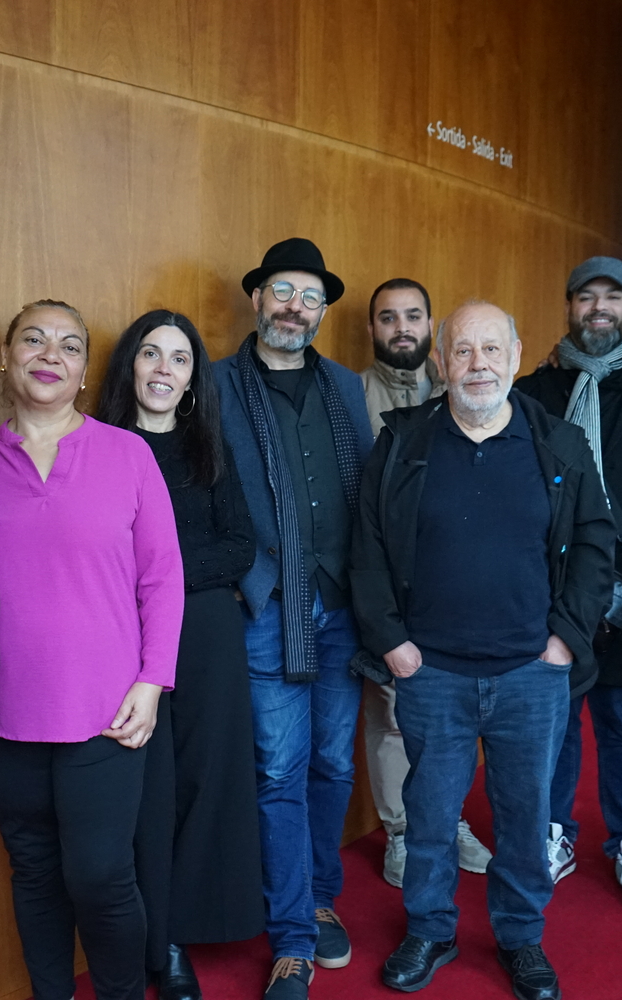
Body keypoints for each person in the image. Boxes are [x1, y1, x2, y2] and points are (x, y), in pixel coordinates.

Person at [352, 301, 614, 1000]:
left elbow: (596, 544)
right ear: (441, 362)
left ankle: (521, 938)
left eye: (491, 350)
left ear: (516, 356)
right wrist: (394, 644)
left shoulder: (559, 443)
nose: (478, 365)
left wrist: (565, 640)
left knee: (524, 818)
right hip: (430, 671)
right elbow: (367, 547)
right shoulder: (402, 442)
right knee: (431, 816)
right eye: (463, 351)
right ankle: (430, 929)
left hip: (532, 672)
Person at [0, 300, 185, 1000]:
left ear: (86, 372)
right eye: (33, 339)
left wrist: (153, 680)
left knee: (100, 876)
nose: (50, 355)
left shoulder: (127, 454)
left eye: (69, 346)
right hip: (3, 709)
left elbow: (163, 577)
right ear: (6, 357)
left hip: (108, 711)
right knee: (35, 872)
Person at [215, 238, 375, 1000]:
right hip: (267, 606)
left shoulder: (345, 387)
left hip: (342, 606)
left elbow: (368, 495)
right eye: (283, 290)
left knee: (334, 764)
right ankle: (292, 938)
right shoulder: (216, 385)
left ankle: (317, 894)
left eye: (311, 297)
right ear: (257, 298)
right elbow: (202, 487)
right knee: (278, 770)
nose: (295, 307)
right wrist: (245, 581)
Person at [95, 310, 265, 1000]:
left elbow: (240, 547)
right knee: (148, 792)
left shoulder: (207, 448)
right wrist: (152, 582)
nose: (164, 369)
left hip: (207, 638)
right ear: (129, 366)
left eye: (180, 358)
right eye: (150, 354)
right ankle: (156, 941)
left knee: (207, 783)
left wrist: (160, 574)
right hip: (123, 637)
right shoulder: (97, 445)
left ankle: (183, 931)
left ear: (193, 378)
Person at [514, 257, 622, 913]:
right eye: (587, 297)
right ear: (569, 306)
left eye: (613, 296)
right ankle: (555, 832)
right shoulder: (535, 388)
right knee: (557, 718)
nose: (599, 308)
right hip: (554, 586)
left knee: (618, 719)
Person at [357, 277, 491, 888]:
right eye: (388, 317)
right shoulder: (352, 393)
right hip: (385, 587)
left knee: (452, 721)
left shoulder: (461, 391)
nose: (401, 327)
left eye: (413, 316)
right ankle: (402, 832)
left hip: (452, 592)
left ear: (432, 328)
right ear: (372, 328)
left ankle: (449, 820)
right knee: (390, 714)